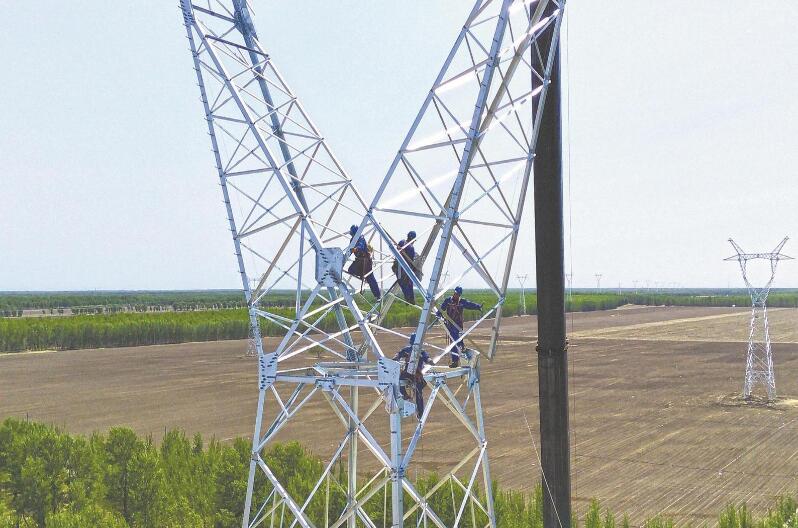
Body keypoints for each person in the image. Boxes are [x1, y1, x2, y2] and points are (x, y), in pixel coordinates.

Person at [437, 286, 482, 368]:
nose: (456, 295)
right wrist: (439, 314)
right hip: (450, 325)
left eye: (458, 294)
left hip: (458, 325)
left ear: (460, 294)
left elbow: (469, 304)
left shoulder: (462, 302)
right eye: (455, 293)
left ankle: (462, 350)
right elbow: (441, 309)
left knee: (457, 340)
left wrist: (478, 306)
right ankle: (455, 360)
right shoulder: (448, 300)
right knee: (453, 342)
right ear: (454, 292)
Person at [393, 333, 434, 419]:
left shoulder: (415, 351)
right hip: (413, 374)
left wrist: (396, 357)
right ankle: (420, 412)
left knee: (399, 381)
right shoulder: (417, 351)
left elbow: (398, 354)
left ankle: (405, 396)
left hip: (414, 374)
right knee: (418, 394)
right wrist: (430, 361)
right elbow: (427, 358)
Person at [347, 225, 380, 299]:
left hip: (366, 261)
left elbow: (360, 246)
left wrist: (356, 249)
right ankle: (362, 274)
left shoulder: (361, 238)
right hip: (359, 260)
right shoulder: (352, 239)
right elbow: (350, 249)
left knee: (370, 278)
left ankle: (377, 296)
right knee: (351, 270)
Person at [392, 230, 419, 304]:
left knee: (402, 282)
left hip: (400, 267)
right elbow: (411, 260)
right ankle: (411, 299)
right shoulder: (411, 248)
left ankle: (408, 298)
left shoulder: (402, 242)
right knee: (409, 283)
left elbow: (396, 252)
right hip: (406, 268)